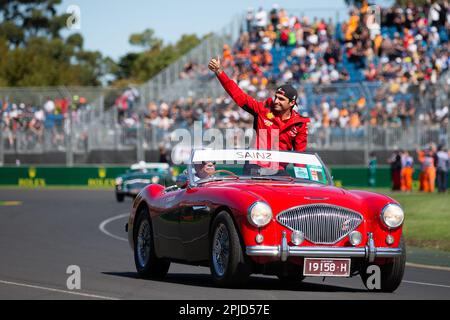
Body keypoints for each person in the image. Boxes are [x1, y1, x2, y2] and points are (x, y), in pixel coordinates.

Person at [208, 56, 310, 153]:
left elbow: (300, 154)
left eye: (281, 99)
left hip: (278, 169)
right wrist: (219, 72)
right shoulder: (263, 109)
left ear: (292, 103)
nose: (276, 101)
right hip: (256, 165)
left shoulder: (299, 124)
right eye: (276, 97)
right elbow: (238, 95)